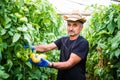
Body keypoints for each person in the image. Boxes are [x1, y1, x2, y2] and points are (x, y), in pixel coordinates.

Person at [25, 12, 89, 80]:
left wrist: (50, 64)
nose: (71, 28)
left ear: (81, 27)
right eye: (69, 25)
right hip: (61, 77)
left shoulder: (82, 43)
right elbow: (47, 47)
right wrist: (31, 48)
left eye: (75, 25)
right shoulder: (63, 40)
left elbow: (69, 64)